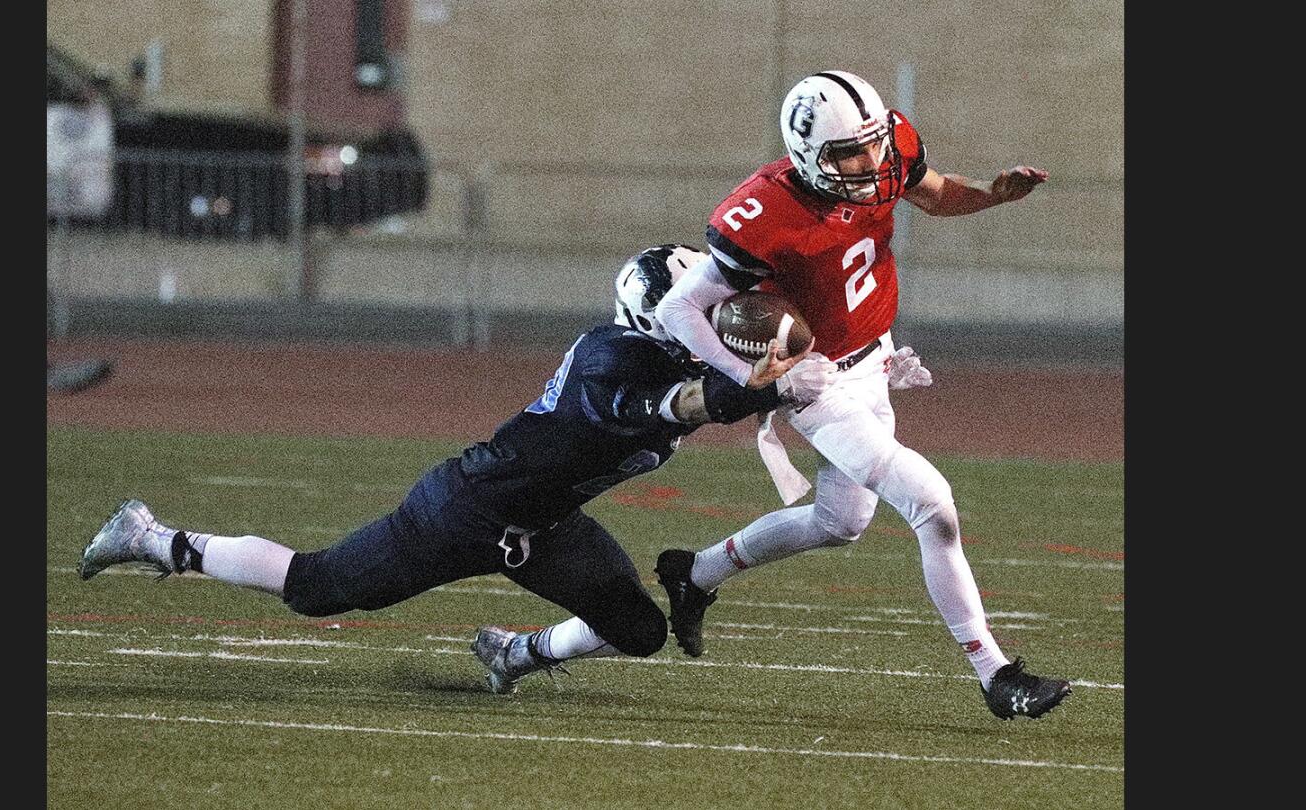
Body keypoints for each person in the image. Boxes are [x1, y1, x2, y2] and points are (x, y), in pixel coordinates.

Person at [78, 244, 830, 694]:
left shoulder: (660, 346)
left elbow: (727, 380)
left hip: (545, 524)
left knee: (637, 628)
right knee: (316, 588)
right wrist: (751, 385)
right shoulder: (613, 361)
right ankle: (153, 537)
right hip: (464, 512)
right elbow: (683, 406)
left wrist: (848, 369)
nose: (712, 321)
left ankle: (513, 652)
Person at [652, 70, 1071, 720]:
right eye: (851, 152)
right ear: (805, 154)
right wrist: (752, 378)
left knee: (839, 523)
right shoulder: (761, 211)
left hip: (871, 358)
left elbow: (931, 195)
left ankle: (696, 572)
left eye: (874, 144)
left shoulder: (890, 147)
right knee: (932, 503)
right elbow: (683, 305)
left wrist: (991, 195)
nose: (872, 162)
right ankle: (997, 674)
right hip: (813, 379)